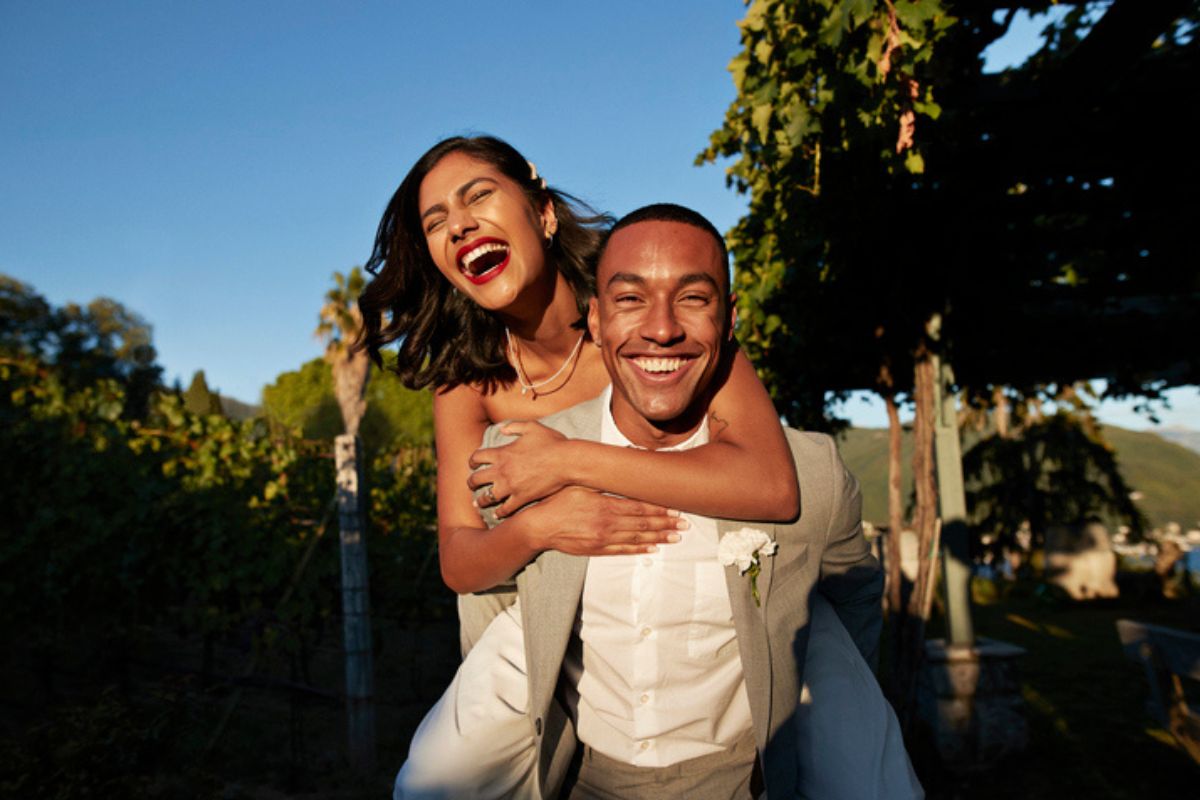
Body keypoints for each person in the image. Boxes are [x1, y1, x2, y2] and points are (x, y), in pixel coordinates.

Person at [388, 203, 922, 799]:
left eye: (693, 298)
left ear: (729, 317)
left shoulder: (811, 476)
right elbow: (492, 615)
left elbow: (850, 606)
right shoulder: (521, 461)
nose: (662, 328)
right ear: (594, 319)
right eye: (630, 299)